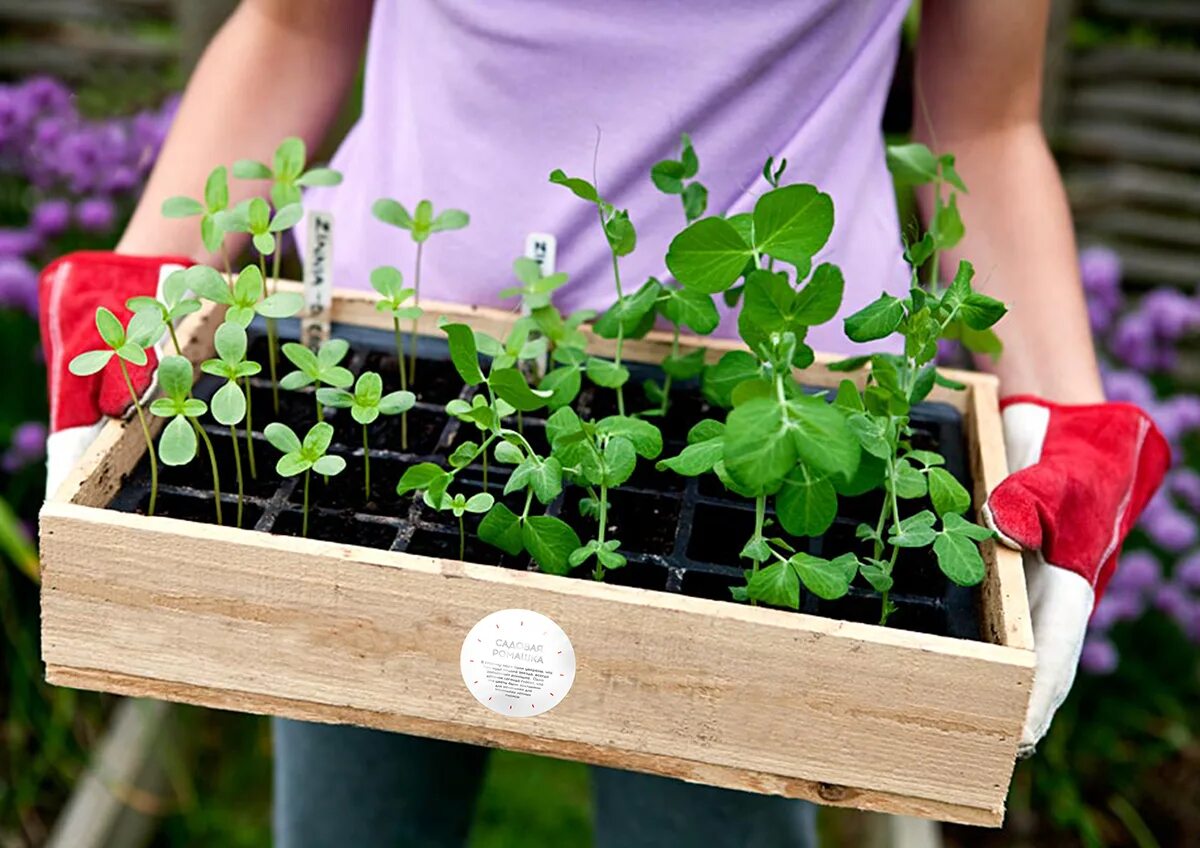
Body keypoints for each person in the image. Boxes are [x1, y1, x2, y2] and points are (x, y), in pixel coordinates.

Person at [39, 1, 1168, 846]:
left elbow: (984, 122)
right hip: (378, 393)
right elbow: (292, 23)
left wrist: (1068, 420)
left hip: (775, 435)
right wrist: (143, 287)